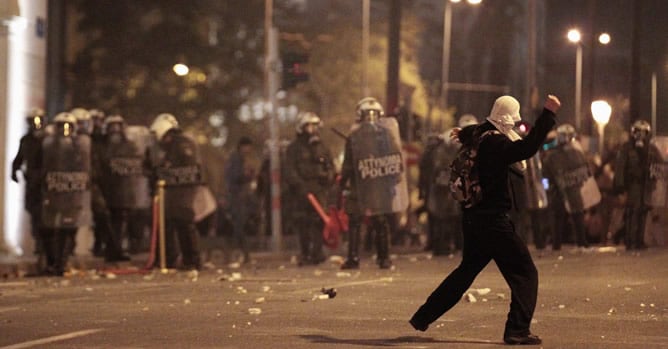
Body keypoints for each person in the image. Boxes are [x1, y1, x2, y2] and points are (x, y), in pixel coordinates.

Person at [409, 95, 561, 345]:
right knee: (525, 273)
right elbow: (527, 148)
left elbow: (478, 128)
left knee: (465, 272)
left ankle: (422, 316)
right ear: (506, 119)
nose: (513, 126)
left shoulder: (478, 135)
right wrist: (547, 115)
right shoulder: (496, 144)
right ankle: (517, 330)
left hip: (472, 218)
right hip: (494, 222)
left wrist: (464, 131)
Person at [339, 97, 409, 270]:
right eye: (367, 114)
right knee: (368, 221)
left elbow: (395, 160)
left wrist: (343, 182)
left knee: (371, 221)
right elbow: (397, 160)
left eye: (373, 114)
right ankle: (380, 258)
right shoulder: (384, 135)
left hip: (372, 185)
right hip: (370, 185)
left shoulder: (356, 137)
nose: (370, 118)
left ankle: (365, 258)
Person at [38, 112, 91, 276]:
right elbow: (42, 166)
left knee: (68, 229)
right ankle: (54, 261)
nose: (65, 130)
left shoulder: (81, 145)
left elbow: (86, 166)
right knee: (51, 228)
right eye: (62, 126)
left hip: (72, 192)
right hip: (54, 191)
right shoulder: (48, 144)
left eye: (68, 126)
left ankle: (61, 262)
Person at [148, 113, 202, 270]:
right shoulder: (176, 144)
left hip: (182, 192)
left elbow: (184, 169)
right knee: (168, 225)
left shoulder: (182, 144)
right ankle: (169, 259)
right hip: (174, 192)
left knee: (185, 225)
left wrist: (162, 172)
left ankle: (192, 261)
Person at [284, 112, 335, 265]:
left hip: (319, 190)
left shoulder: (322, 147)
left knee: (319, 222)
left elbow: (330, 166)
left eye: (314, 126)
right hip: (302, 191)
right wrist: (299, 186)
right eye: (309, 126)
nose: (312, 129)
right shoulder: (294, 148)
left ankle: (317, 253)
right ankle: (305, 253)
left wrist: (329, 177)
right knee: (303, 222)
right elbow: (289, 170)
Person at [542, 124, 598, 251]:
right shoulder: (555, 156)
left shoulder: (572, 154)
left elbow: (585, 171)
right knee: (564, 217)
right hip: (562, 191)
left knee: (573, 216)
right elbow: (545, 176)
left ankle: (575, 242)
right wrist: (547, 188)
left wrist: (547, 189)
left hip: (568, 190)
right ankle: (576, 243)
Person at [612, 120, 661, 251]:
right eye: (638, 131)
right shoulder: (627, 148)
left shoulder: (651, 148)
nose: (640, 135)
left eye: (643, 132)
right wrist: (620, 186)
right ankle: (630, 240)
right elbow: (620, 167)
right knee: (633, 211)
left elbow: (659, 164)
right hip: (633, 184)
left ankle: (639, 240)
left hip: (646, 185)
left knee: (643, 212)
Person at [11, 107, 47, 256]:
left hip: (46, 182)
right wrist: (14, 171)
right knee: (34, 212)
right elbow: (20, 157)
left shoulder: (49, 139)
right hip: (32, 181)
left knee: (45, 215)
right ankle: (38, 242)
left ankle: (45, 245)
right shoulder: (26, 140)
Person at [223, 136, 257, 264]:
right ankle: (241, 254)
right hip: (236, 197)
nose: (249, 150)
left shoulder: (237, 158)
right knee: (239, 226)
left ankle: (241, 254)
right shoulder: (236, 158)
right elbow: (235, 177)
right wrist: (248, 175)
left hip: (238, 196)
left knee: (239, 226)